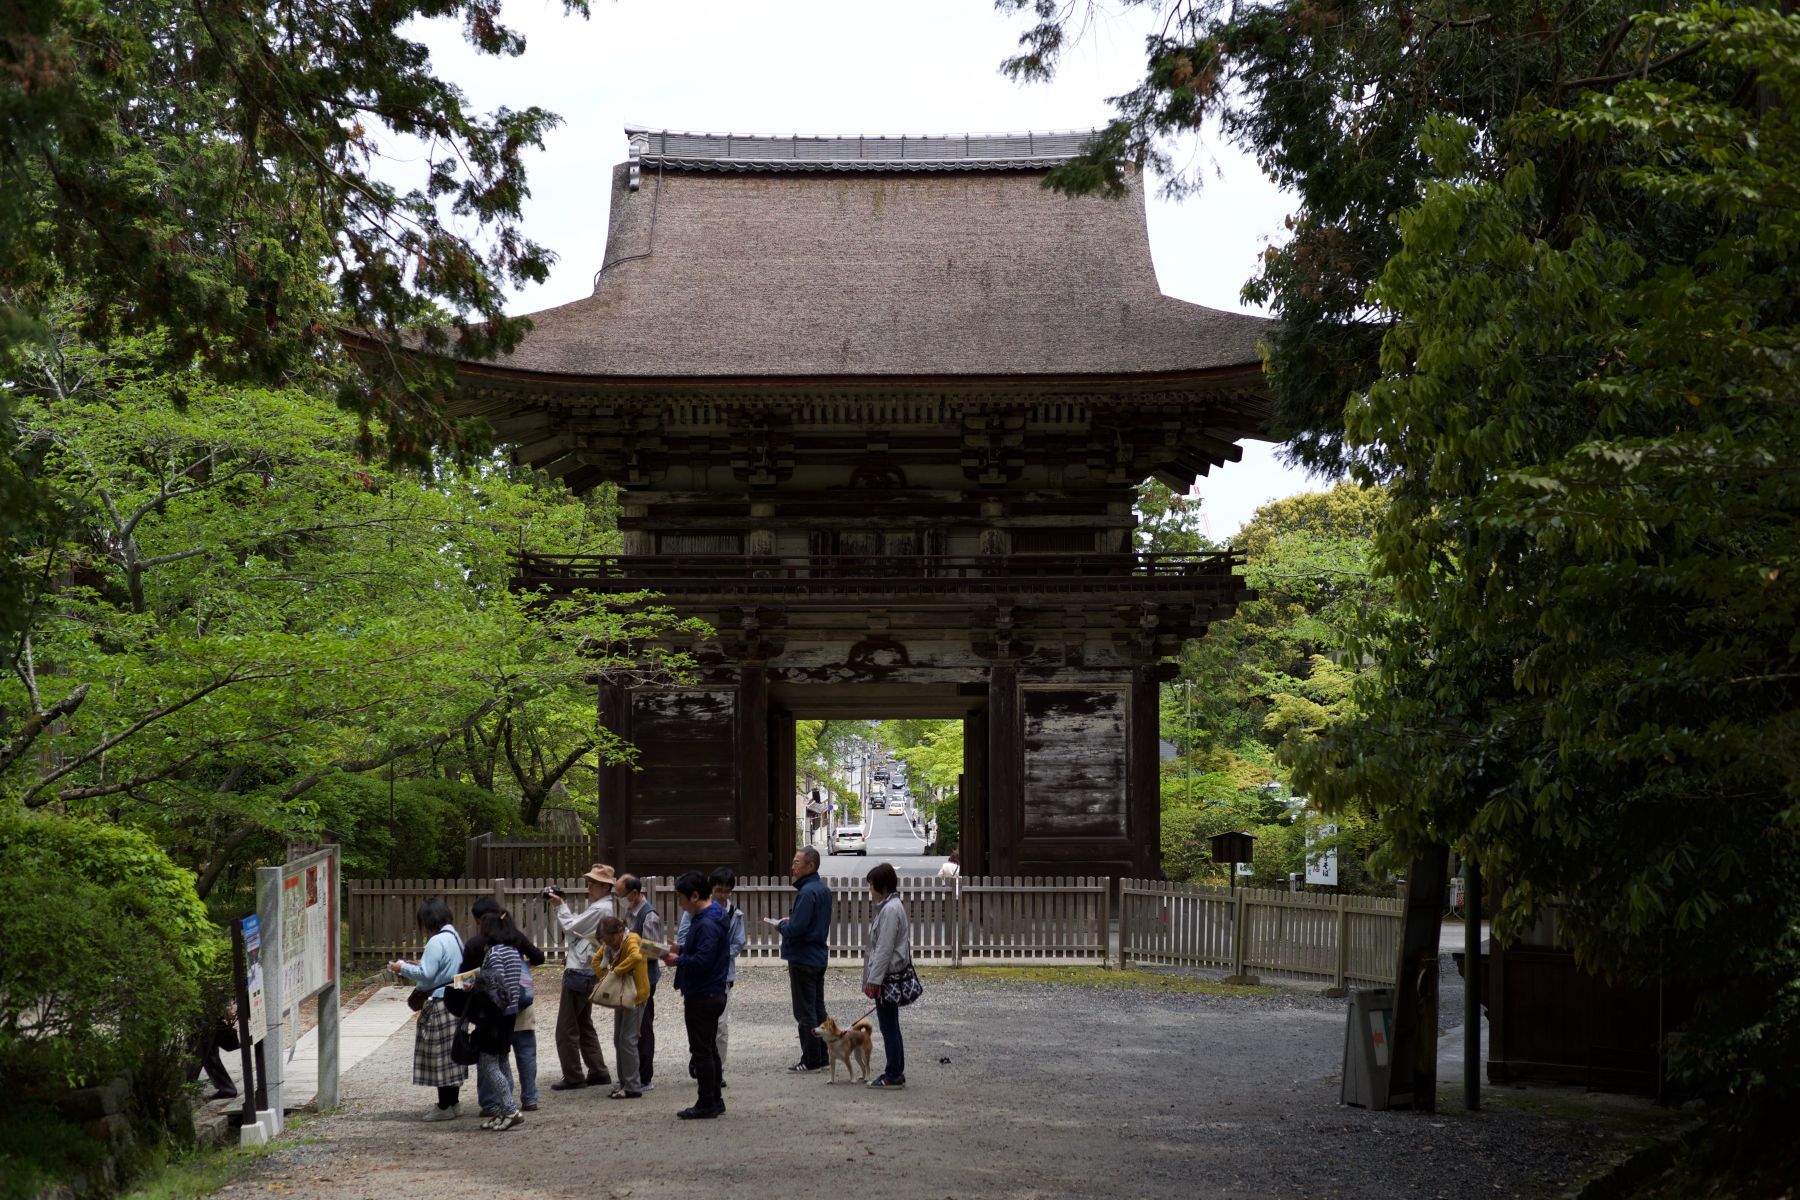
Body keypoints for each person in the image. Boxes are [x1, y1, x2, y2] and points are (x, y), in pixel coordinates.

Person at [461, 897, 545, 1116]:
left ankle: (492, 1103)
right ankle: (530, 1098)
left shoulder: (478, 944)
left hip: (492, 1010)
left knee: (491, 1058)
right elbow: (539, 957)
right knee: (524, 1050)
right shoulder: (515, 938)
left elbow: (465, 978)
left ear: (479, 920)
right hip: (521, 1001)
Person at [389, 897, 466, 1120]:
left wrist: (401, 967)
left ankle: (443, 1107)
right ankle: (453, 1102)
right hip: (456, 1000)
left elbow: (426, 974)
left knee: (439, 1055)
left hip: (440, 1002)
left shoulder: (436, 941)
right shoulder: (455, 937)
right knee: (452, 1055)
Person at [662, 871, 729, 1119]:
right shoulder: (712, 916)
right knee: (709, 1048)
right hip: (712, 991)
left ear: (695, 895)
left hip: (703, 993)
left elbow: (703, 960)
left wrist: (677, 959)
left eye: (681, 898)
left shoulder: (707, 922)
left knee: (701, 1050)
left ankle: (707, 1102)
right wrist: (680, 949)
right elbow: (704, 953)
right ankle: (715, 1100)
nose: (680, 904)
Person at [545, 863, 617, 1090]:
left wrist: (560, 905)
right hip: (589, 969)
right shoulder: (604, 906)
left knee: (566, 1027)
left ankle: (574, 1075)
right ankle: (598, 1070)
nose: (588, 888)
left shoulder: (600, 909)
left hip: (579, 970)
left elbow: (572, 926)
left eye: (592, 884)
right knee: (583, 1023)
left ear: (605, 886)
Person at [673, 867, 747, 1076]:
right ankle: (702, 1062)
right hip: (700, 976)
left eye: (726, 891)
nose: (722, 895)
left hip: (722, 974)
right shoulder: (695, 911)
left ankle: (717, 1069)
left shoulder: (735, 914)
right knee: (701, 1029)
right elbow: (684, 936)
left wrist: (718, 953)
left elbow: (738, 942)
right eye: (718, 890)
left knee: (720, 1028)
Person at [469, 910, 528, 1130]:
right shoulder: (513, 951)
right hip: (510, 1012)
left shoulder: (494, 954)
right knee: (503, 1062)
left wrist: (476, 984)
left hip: (495, 1015)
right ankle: (505, 1111)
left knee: (489, 1064)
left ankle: (510, 1110)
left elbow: (495, 985)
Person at [778, 845, 832, 1073]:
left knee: (805, 1010)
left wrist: (782, 925)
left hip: (803, 956)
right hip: (818, 954)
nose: (793, 867)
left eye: (797, 863)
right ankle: (822, 1055)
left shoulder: (807, 892)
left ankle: (810, 1058)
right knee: (818, 1007)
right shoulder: (822, 890)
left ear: (811, 866)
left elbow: (798, 928)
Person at [862, 861, 912, 1088]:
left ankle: (893, 1073)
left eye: (872, 885)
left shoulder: (890, 910)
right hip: (888, 973)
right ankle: (896, 1070)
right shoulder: (892, 906)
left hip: (886, 976)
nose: (870, 890)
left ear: (881, 886)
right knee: (891, 1025)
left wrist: (873, 980)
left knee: (888, 1026)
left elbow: (884, 948)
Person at [594, 915, 651, 1099]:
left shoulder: (632, 939)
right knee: (619, 1040)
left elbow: (636, 955)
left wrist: (616, 972)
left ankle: (633, 1086)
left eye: (610, 939)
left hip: (635, 995)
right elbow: (596, 961)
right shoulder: (611, 945)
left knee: (628, 1040)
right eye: (605, 940)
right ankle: (623, 1083)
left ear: (619, 931)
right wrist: (607, 976)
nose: (608, 944)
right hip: (621, 995)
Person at [618, 875, 664, 1090]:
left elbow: (653, 950)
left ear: (634, 894)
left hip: (645, 978)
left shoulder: (649, 916)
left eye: (622, 896)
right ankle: (630, 1072)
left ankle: (644, 1076)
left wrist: (631, 951)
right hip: (631, 977)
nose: (620, 900)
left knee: (642, 1027)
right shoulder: (630, 912)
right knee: (628, 1027)